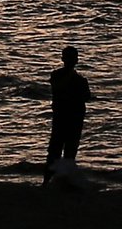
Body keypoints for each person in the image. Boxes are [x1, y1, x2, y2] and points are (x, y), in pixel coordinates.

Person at [46, 45, 93, 178]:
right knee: (55, 152)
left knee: (69, 153)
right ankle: (48, 180)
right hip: (63, 118)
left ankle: (63, 180)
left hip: (73, 119)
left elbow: (86, 97)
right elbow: (58, 88)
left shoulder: (80, 80)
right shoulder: (58, 75)